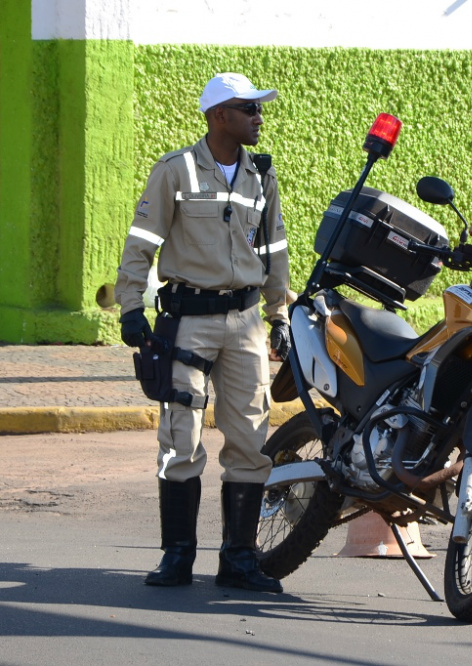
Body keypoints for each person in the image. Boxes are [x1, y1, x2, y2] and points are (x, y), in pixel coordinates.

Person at [114, 73, 291, 593]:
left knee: (250, 441)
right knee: (181, 437)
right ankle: (177, 557)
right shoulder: (175, 170)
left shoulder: (262, 175)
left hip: (246, 324)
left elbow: (274, 253)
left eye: (259, 110)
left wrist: (279, 317)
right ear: (219, 116)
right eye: (249, 109)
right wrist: (130, 307)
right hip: (188, 322)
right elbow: (141, 242)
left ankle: (238, 559)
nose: (259, 118)